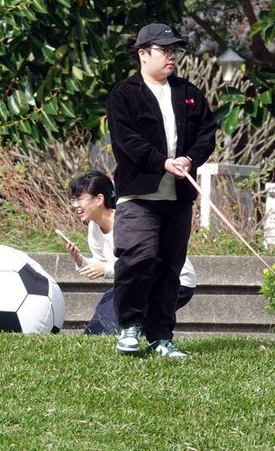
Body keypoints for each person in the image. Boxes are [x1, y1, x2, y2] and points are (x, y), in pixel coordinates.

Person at [105, 23, 218, 358]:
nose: (172, 56)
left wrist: (189, 158)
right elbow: (128, 142)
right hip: (138, 196)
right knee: (138, 258)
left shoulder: (189, 92)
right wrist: (162, 162)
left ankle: (160, 337)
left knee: (171, 266)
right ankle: (129, 327)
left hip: (178, 198)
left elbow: (207, 135)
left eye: (174, 50)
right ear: (143, 53)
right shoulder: (124, 94)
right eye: (164, 49)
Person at [62, 171, 196, 335]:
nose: (75, 205)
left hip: (174, 279)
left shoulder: (129, 222)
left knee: (120, 319)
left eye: (79, 199)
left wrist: (106, 270)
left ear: (99, 199)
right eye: (74, 199)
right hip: (137, 280)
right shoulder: (94, 226)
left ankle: (138, 339)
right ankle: (96, 340)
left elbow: (145, 261)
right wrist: (79, 259)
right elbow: (100, 262)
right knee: (105, 308)